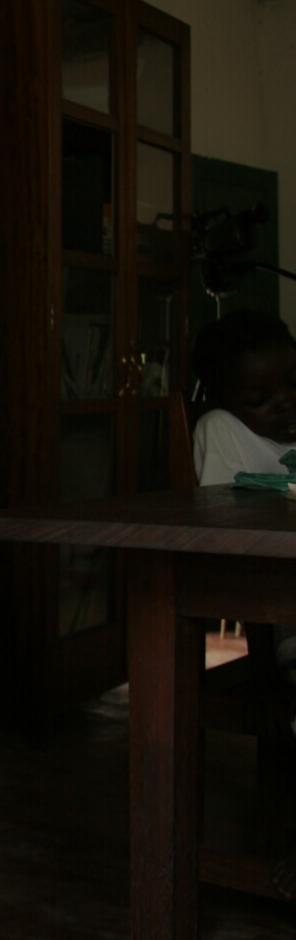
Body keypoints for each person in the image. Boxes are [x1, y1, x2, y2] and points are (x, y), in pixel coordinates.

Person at [189, 308, 296, 899]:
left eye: (293, 384)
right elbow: (221, 545)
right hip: (283, 611)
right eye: (260, 396)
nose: (283, 403)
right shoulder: (223, 433)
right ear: (226, 397)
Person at [190, 308, 296, 485]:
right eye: (257, 399)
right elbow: (222, 508)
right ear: (221, 402)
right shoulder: (222, 429)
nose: (286, 402)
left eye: (295, 383)